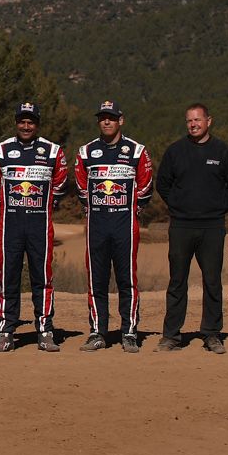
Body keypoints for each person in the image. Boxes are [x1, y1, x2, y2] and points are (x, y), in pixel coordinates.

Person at [154, 103, 228, 354]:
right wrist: (177, 205)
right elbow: (163, 183)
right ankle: (172, 335)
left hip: (212, 226)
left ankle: (212, 334)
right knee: (177, 282)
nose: (193, 124)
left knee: (212, 281)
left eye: (198, 120)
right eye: (189, 121)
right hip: (181, 226)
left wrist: (219, 208)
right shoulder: (175, 151)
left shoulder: (223, 151)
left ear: (209, 121)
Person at [0, 102, 70, 352]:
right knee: (7, 279)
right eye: (22, 121)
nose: (26, 126)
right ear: (16, 123)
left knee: (41, 279)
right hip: (10, 226)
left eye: (30, 121)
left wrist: (41, 203)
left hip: (39, 226)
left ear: (37, 124)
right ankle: (6, 332)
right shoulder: (1, 150)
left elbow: (61, 184)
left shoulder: (53, 151)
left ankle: (45, 330)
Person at [74, 101, 153, 352]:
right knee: (96, 281)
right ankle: (98, 332)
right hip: (96, 226)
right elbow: (79, 186)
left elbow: (146, 186)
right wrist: (95, 208)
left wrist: (131, 209)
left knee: (127, 281)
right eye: (102, 118)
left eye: (111, 117)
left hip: (125, 227)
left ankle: (129, 332)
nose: (106, 122)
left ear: (121, 120)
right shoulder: (86, 151)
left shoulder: (137, 150)